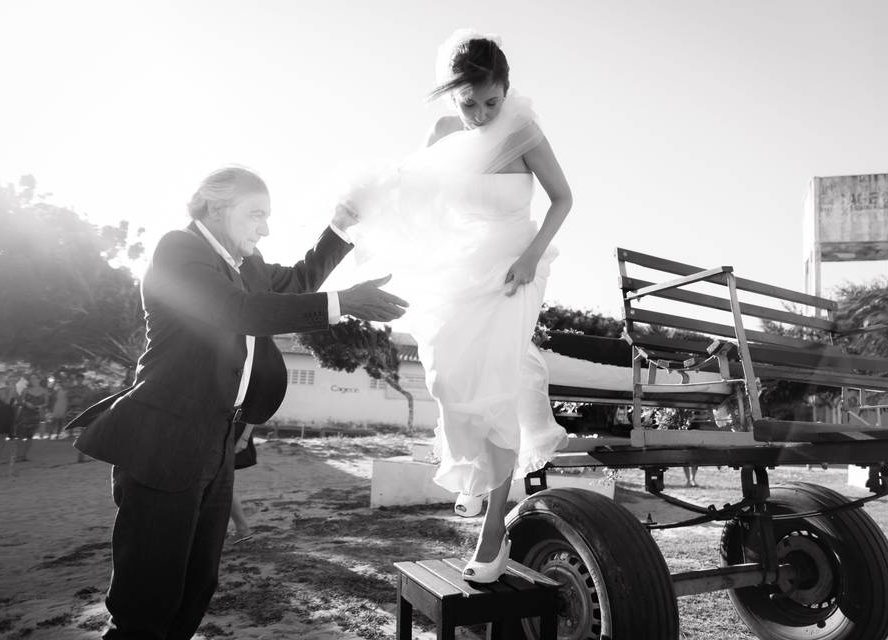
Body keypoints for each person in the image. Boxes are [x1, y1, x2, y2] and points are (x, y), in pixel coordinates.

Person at [64, 166, 406, 640]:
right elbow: (236, 312)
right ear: (217, 207)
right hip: (166, 439)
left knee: (195, 588)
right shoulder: (178, 250)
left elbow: (298, 281)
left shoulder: (247, 264)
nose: (264, 228)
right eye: (256, 215)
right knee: (147, 600)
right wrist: (342, 302)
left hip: (219, 440)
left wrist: (340, 226)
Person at [342, 29, 572, 583]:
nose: (480, 114)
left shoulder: (522, 128)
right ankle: (472, 473)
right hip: (461, 269)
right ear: (452, 96)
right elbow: (409, 194)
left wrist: (530, 258)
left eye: (491, 101)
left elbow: (563, 198)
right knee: (446, 378)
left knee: (496, 385)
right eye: (469, 103)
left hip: (516, 267)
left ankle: (493, 531)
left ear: (506, 89)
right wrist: (360, 207)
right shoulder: (444, 132)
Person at [229, 420, 256, 544]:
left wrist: (245, 438)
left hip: (233, 431)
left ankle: (243, 530)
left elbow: (255, 409)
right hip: (214, 429)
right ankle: (243, 530)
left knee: (223, 484)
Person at [14, 373, 48, 462]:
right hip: (24, 415)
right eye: (31, 379)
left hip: (35, 415)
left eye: (35, 378)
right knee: (20, 436)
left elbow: (46, 403)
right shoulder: (25, 390)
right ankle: (18, 456)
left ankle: (24, 456)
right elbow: (20, 401)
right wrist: (26, 403)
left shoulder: (44, 391)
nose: (33, 380)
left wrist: (40, 406)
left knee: (30, 436)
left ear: (39, 379)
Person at [46, 375, 68, 439]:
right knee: (53, 421)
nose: (64, 383)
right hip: (56, 407)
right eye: (62, 382)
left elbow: (68, 400)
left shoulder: (67, 390)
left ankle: (58, 435)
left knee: (60, 422)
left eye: (65, 382)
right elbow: (52, 398)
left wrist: (67, 409)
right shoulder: (57, 389)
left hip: (63, 407)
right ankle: (49, 434)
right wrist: (51, 408)